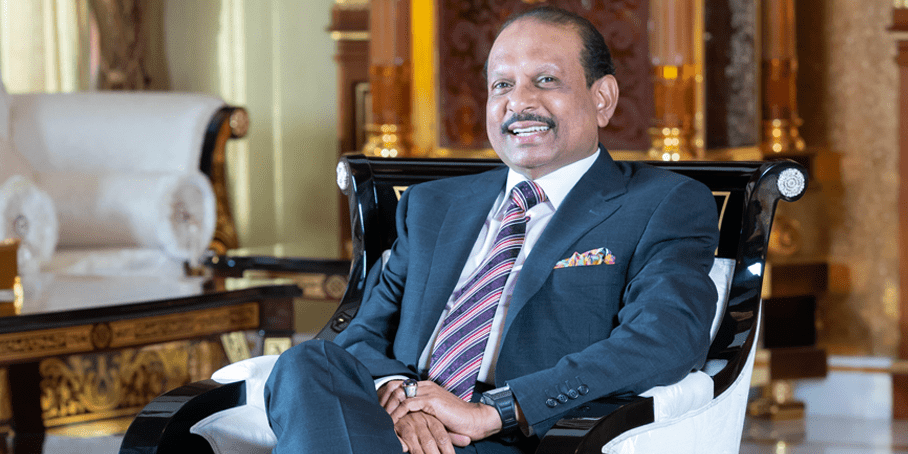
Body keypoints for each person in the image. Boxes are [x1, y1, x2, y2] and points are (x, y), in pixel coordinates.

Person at [264, 6, 719, 454]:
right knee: (307, 362)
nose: (519, 102)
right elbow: (364, 334)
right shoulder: (430, 206)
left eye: (546, 80)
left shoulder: (663, 204)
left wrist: (495, 410)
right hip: (392, 428)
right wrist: (406, 399)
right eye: (502, 85)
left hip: (512, 437)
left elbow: (664, 340)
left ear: (602, 98)